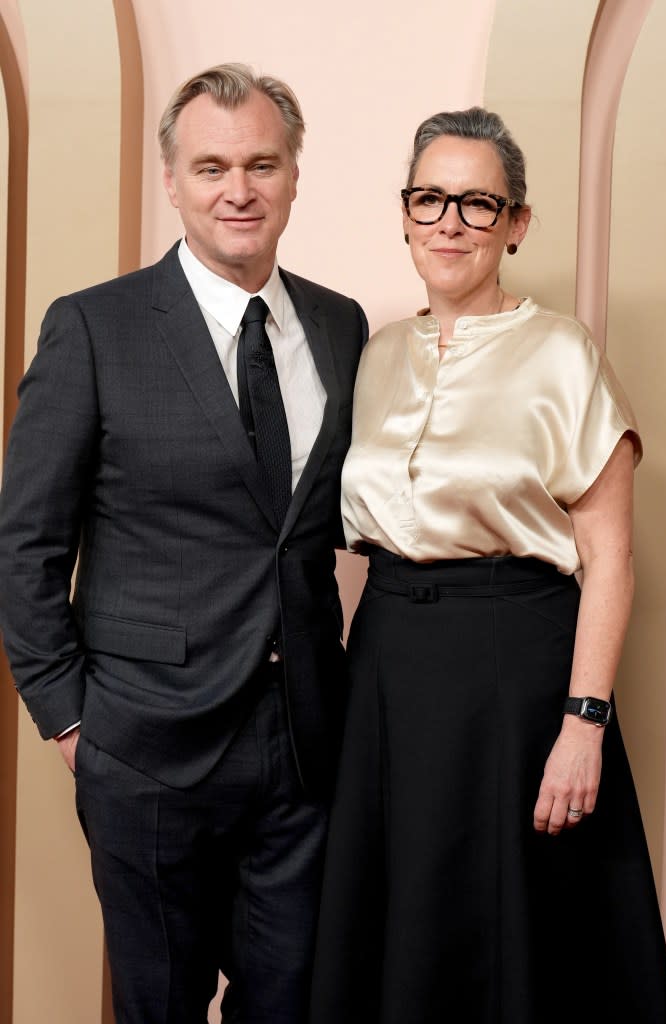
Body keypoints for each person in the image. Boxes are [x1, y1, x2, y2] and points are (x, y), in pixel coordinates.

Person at [0, 63, 367, 1023]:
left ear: (294, 174)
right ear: (173, 181)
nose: (237, 190)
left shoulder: (338, 325)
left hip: (301, 748)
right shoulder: (94, 327)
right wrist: (72, 723)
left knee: (290, 1005)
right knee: (158, 1006)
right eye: (210, 167)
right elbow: (26, 540)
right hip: (144, 745)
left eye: (260, 164)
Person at [310, 108, 666, 1024]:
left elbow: (608, 556)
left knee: (516, 930)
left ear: (515, 224)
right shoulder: (376, 352)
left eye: (477, 203)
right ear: (403, 214)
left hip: (516, 671)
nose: (448, 222)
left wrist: (582, 723)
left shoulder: (561, 351)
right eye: (429, 198)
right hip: (387, 665)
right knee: (395, 917)